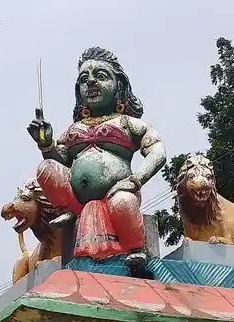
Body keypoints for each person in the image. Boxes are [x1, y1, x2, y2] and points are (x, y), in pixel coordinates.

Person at [26, 47, 167, 270]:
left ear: (119, 87)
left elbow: (157, 153)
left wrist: (136, 180)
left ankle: (135, 248)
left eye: (100, 76)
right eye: (84, 79)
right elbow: (61, 159)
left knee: (122, 203)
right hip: (76, 198)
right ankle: (71, 211)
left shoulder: (128, 123)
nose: (91, 82)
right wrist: (46, 143)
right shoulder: (74, 129)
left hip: (119, 192)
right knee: (46, 168)